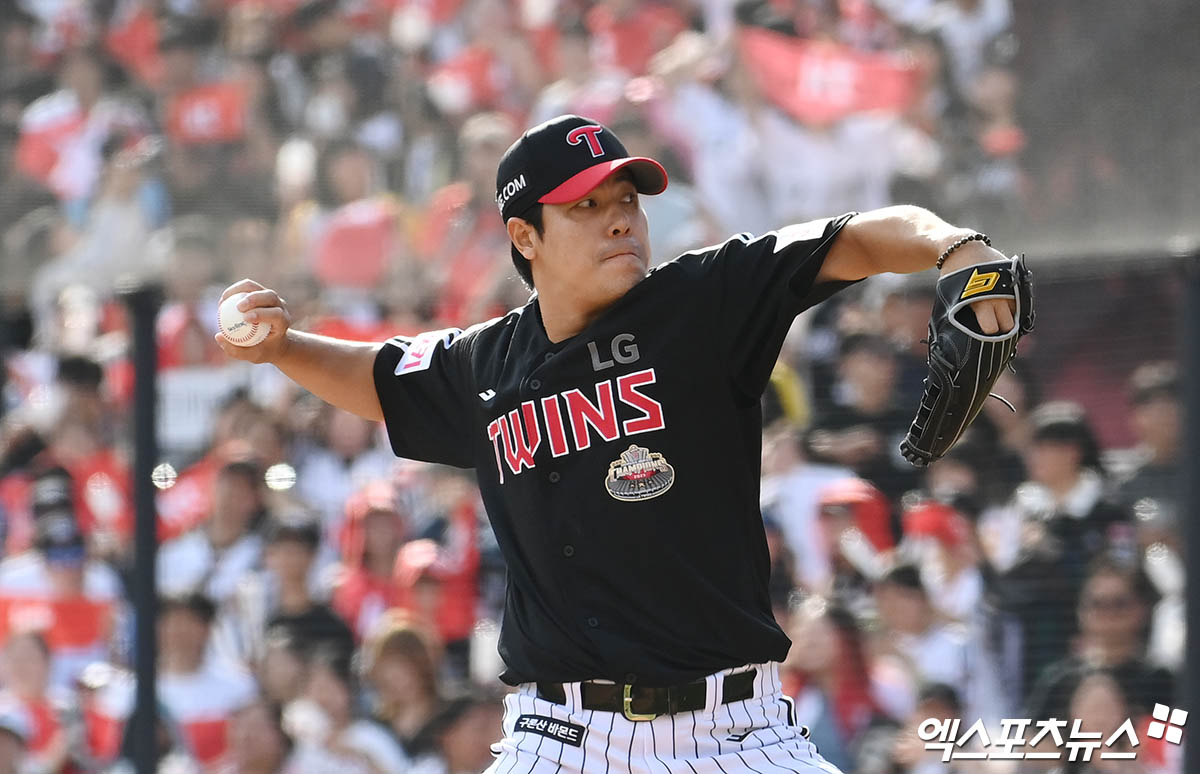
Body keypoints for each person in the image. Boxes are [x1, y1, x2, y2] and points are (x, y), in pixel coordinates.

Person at [215, 114, 1018, 774]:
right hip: (560, 741)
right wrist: (282, 348)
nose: (620, 219)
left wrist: (960, 247)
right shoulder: (485, 363)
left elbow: (862, 237)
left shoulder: (702, 303)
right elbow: (381, 378)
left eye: (625, 198)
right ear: (524, 237)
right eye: (586, 207)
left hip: (738, 733)